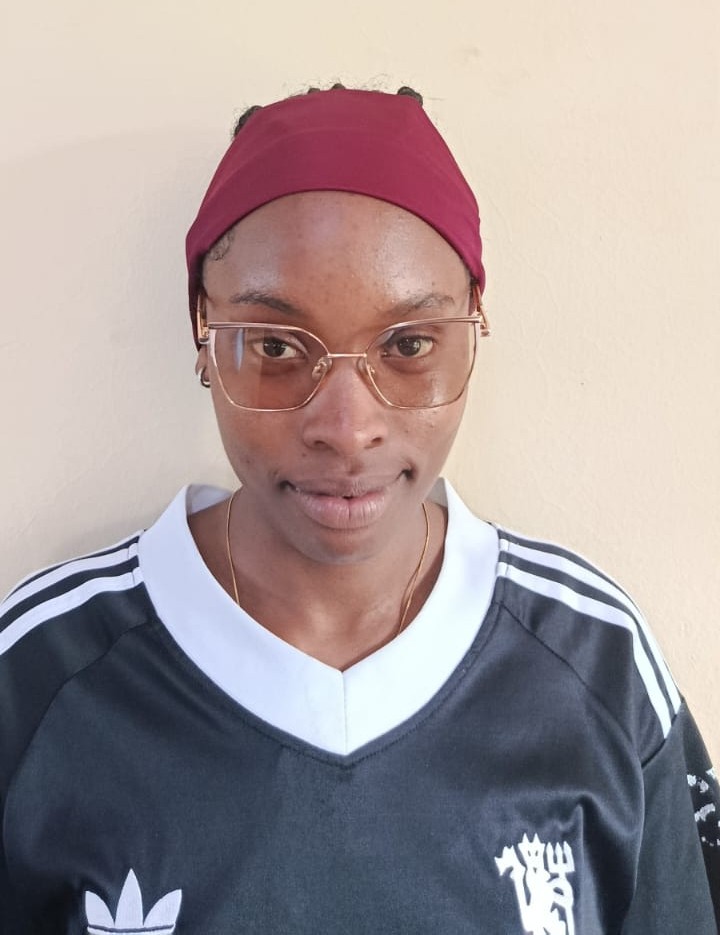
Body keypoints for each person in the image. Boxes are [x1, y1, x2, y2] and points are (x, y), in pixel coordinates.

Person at [1, 85, 718, 934]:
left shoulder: (596, 662)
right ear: (202, 328)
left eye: (408, 345)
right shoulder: (40, 674)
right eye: (276, 346)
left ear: (474, 326)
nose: (347, 429)